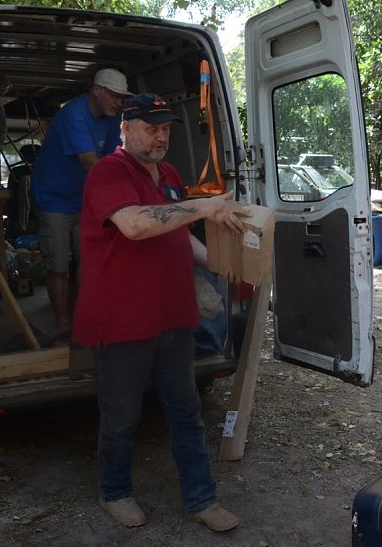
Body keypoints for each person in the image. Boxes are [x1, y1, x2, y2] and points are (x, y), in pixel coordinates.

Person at [73, 93, 250, 531]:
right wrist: (203, 205)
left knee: (186, 411)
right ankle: (115, 491)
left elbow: (176, 233)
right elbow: (134, 224)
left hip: (173, 316)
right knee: (122, 416)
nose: (160, 136)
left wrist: (220, 263)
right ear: (126, 128)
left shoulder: (169, 173)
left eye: (166, 128)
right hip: (123, 322)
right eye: (151, 128)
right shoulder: (109, 172)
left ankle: (201, 499)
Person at [31, 68, 132, 329]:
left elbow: (113, 160)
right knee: (58, 265)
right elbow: (90, 162)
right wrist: (122, 195)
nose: (119, 102)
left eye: (122, 97)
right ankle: (63, 323)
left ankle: (85, 317)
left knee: (87, 260)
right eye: (114, 96)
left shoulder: (112, 119)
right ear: (96, 91)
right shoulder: (73, 114)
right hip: (54, 199)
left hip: (84, 199)